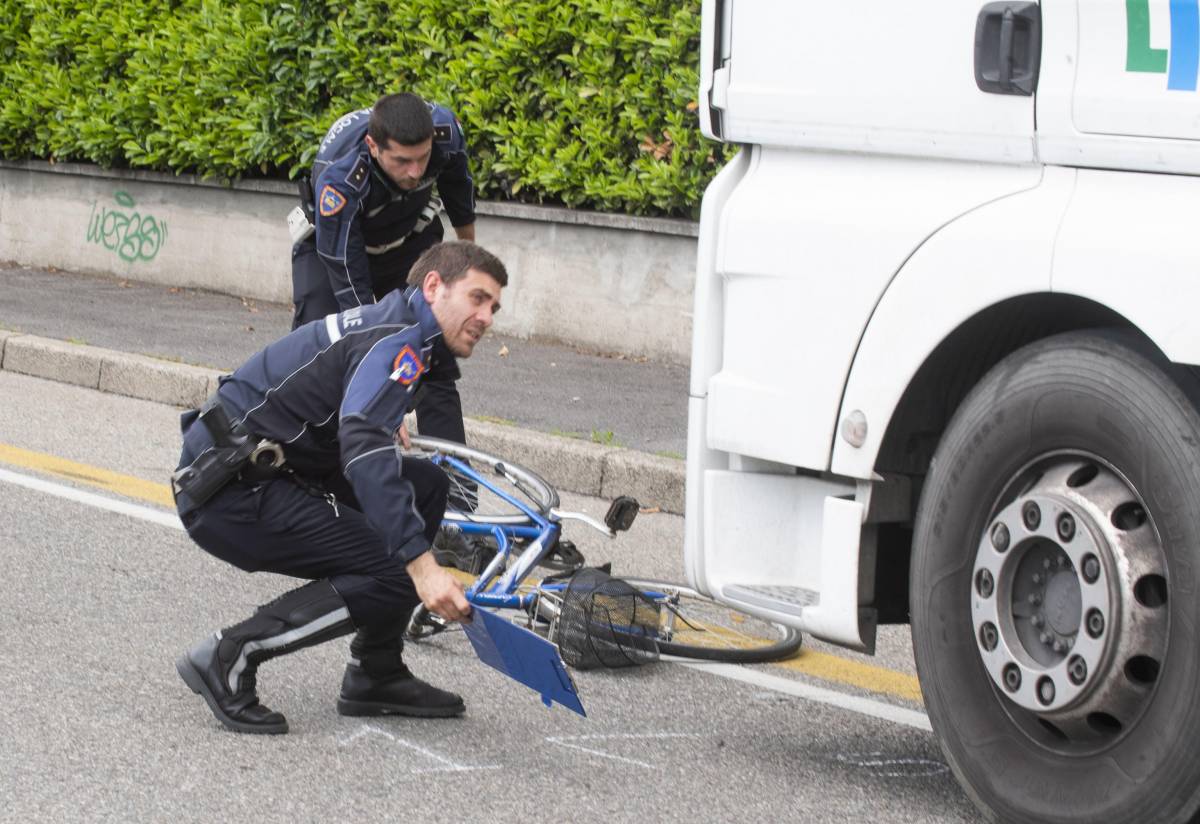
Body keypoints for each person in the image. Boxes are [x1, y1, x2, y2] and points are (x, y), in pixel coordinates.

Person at [173, 241, 506, 735]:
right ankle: (230, 653)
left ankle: (376, 672)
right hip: (230, 491)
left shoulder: (399, 327)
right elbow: (364, 446)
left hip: (271, 469)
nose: (488, 317)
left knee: (426, 485)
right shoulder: (400, 338)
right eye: (478, 298)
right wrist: (423, 567)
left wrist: (375, 411)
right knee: (399, 569)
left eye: (494, 307)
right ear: (434, 286)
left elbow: (354, 413)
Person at [291, 92, 476, 447]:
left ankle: (457, 490)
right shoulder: (341, 179)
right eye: (403, 161)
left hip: (409, 239)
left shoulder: (445, 132)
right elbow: (354, 295)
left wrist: (470, 260)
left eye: (422, 159)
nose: (416, 171)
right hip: (338, 253)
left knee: (434, 351)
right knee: (322, 354)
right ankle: (312, 464)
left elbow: (459, 191)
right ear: (373, 146)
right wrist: (380, 397)